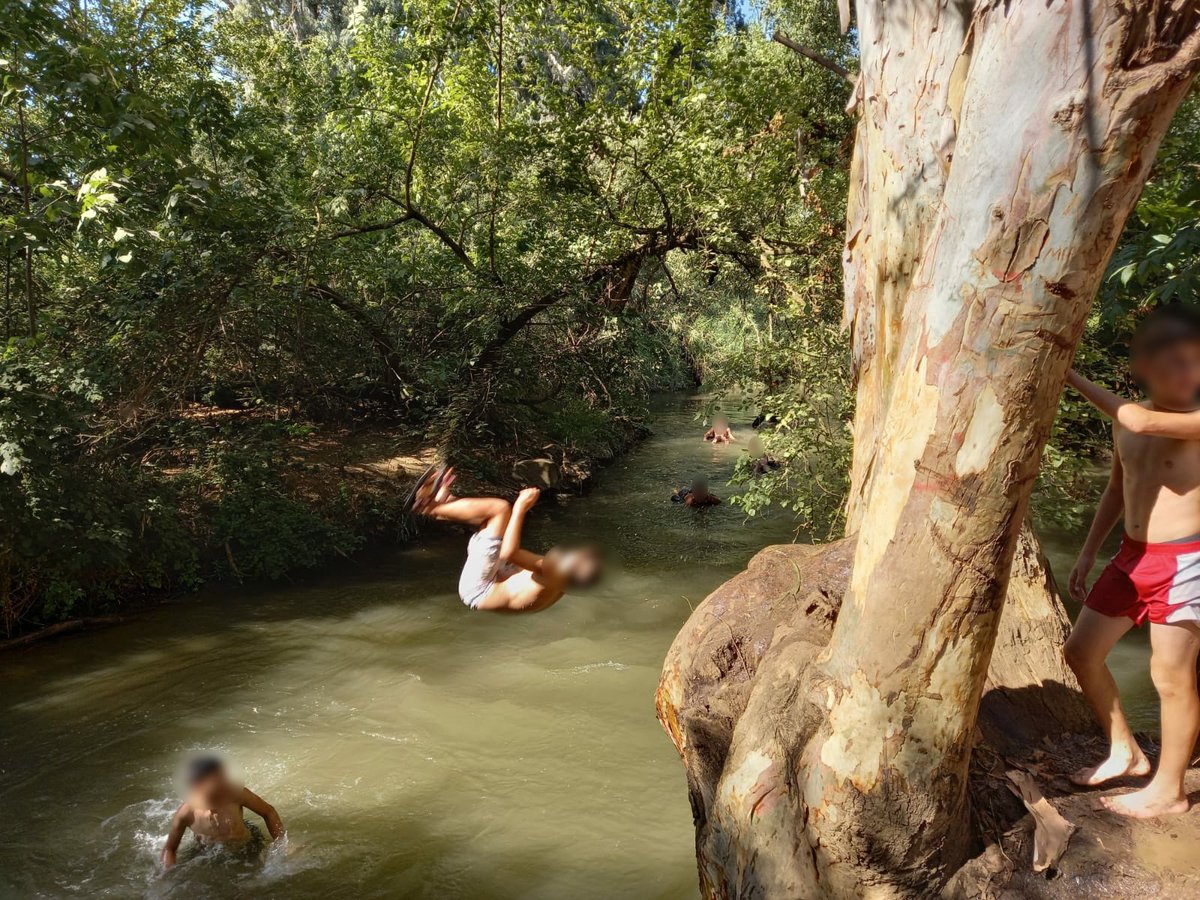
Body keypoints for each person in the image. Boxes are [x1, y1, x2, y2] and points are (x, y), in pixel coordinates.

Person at [1062, 305, 1200, 819]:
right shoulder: (1129, 420)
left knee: (1171, 676)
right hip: (1130, 557)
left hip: (1185, 561)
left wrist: (1065, 372)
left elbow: (1138, 418)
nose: (1184, 375)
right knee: (1081, 651)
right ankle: (1126, 750)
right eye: (1172, 365)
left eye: (1192, 364)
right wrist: (1088, 552)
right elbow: (1118, 489)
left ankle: (1171, 791)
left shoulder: (1187, 420)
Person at [412, 467, 601, 612]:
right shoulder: (562, 581)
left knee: (500, 509)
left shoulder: (552, 571)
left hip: (479, 588)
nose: (571, 554)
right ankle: (445, 502)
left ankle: (427, 507)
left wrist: (521, 507)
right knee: (492, 523)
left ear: (567, 574)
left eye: (574, 559)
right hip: (502, 577)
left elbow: (509, 553)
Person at [161, 755, 284, 869]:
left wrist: (282, 842)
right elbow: (170, 849)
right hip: (207, 852)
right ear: (197, 787)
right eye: (218, 783)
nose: (224, 786)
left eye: (224, 779)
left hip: (246, 845)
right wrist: (167, 875)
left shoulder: (236, 794)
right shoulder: (186, 813)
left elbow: (269, 812)